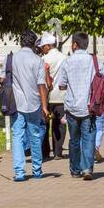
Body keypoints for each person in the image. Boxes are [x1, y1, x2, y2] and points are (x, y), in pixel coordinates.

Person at [57, 32, 104, 181]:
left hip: (72, 107)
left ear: (74, 45)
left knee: (74, 139)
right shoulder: (94, 60)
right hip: (89, 106)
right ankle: (87, 168)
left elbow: (61, 85)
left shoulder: (67, 62)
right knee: (89, 138)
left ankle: (74, 169)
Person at [10, 29, 49, 182]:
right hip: (34, 102)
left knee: (17, 136)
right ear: (34, 44)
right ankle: (37, 169)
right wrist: (45, 106)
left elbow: (2, 79)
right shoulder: (38, 60)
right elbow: (41, 85)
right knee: (35, 135)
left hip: (17, 103)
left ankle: (19, 172)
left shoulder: (11, 59)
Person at [39, 32, 67, 161]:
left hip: (47, 97)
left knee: (45, 124)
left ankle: (45, 152)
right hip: (62, 96)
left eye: (43, 46)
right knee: (60, 124)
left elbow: (41, 80)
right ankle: (58, 151)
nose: (42, 49)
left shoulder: (44, 60)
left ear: (48, 46)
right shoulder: (64, 58)